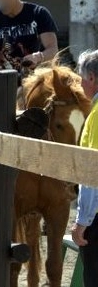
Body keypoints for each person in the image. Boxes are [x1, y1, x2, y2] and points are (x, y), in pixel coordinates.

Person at [71, 49, 98, 287]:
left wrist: (83, 221)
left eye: (80, 78)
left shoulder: (96, 115)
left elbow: (92, 173)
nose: (80, 85)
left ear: (91, 78)